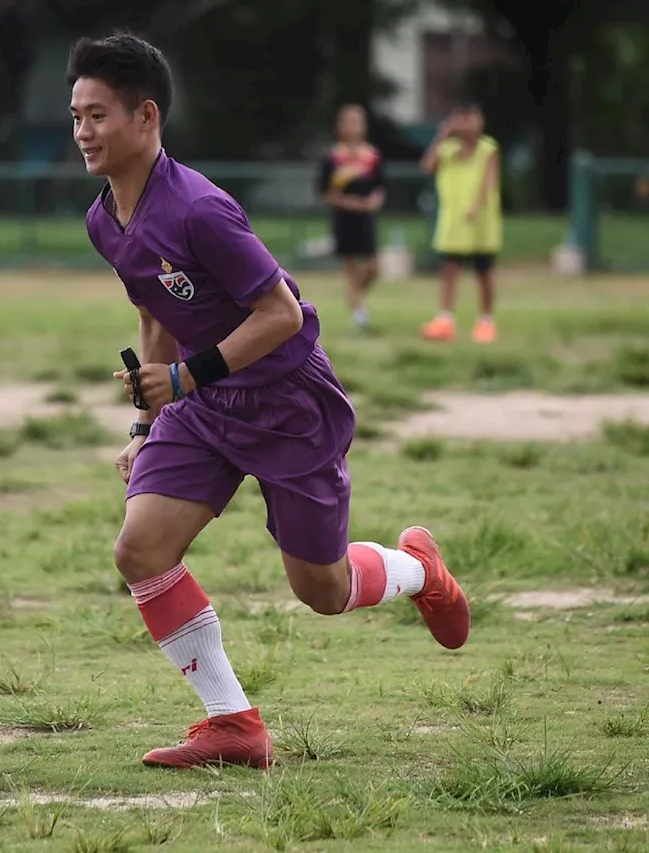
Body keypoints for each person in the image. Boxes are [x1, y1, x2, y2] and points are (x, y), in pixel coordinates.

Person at [69, 32, 471, 770]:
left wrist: (185, 378)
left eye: (98, 115)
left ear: (145, 116)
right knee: (140, 547)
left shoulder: (200, 209)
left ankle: (419, 569)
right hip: (205, 404)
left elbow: (282, 313)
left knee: (321, 588)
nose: (83, 132)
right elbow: (157, 315)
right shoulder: (104, 219)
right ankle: (234, 724)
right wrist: (145, 420)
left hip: (287, 401)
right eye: (76, 116)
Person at [419, 101, 502, 343]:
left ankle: (486, 321)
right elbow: (427, 166)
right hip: (454, 222)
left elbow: (489, 181)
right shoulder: (447, 149)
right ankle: (445, 319)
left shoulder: (488, 149)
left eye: (471, 118)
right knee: (450, 270)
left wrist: (477, 206)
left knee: (484, 272)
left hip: (481, 223)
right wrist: (441, 136)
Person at [318, 104, 387, 330]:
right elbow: (326, 193)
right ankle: (359, 313)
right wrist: (351, 204)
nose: (353, 126)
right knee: (349, 267)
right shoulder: (332, 158)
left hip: (366, 220)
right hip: (343, 219)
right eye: (348, 121)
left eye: (357, 121)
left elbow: (380, 186)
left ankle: (356, 296)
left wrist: (375, 201)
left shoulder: (373, 157)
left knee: (372, 268)